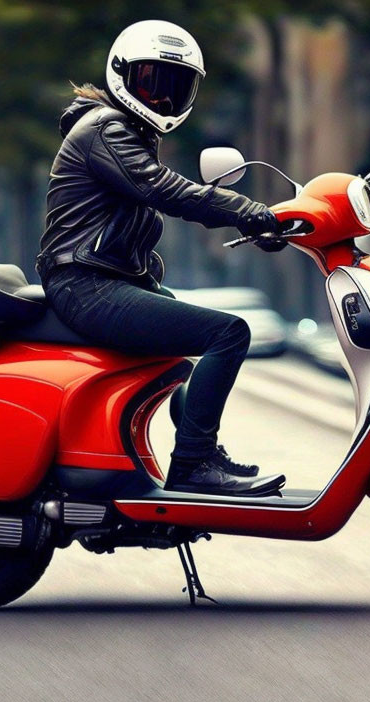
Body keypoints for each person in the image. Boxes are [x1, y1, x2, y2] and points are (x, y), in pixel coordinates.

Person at [36, 20, 286, 497]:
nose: (162, 99)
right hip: (86, 286)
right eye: (151, 83)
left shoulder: (120, 130)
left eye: (175, 87)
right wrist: (248, 211)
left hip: (102, 283)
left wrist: (264, 224)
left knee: (188, 353)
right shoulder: (105, 128)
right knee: (228, 333)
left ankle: (196, 452)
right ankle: (193, 463)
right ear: (121, 74)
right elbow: (162, 187)